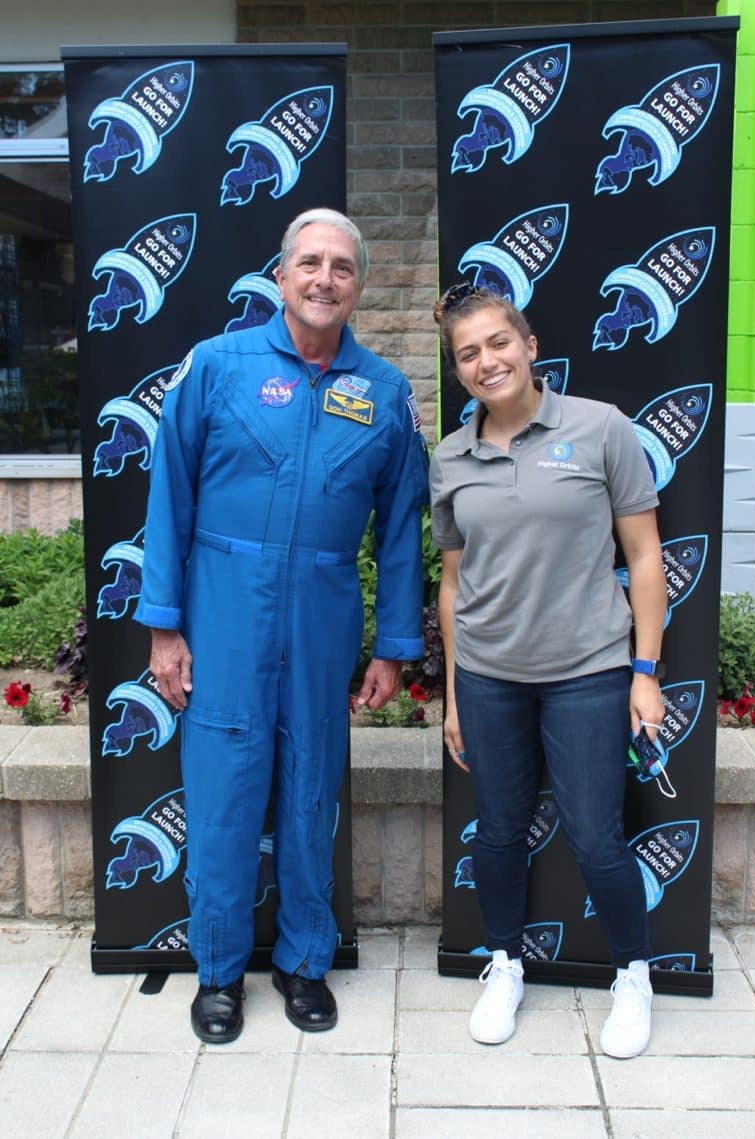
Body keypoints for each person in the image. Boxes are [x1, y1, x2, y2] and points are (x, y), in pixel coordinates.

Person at [135, 208, 429, 1043]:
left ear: (359, 285)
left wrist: (393, 648)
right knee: (225, 793)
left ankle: (305, 962)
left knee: (309, 792)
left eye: (341, 265)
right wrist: (164, 626)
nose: (324, 277)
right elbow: (169, 499)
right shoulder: (216, 367)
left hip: (325, 613)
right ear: (281, 276)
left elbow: (402, 528)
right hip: (224, 607)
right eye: (309, 262)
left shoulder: (383, 391)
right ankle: (220, 973)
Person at [429, 283, 667, 1060]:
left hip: (590, 671)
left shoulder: (602, 429)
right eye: (468, 353)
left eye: (498, 342)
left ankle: (634, 974)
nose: (486, 361)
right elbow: (455, 585)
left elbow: (644, 557)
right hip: (492, 675)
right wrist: (457, 692)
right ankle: (505, 962)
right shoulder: (450, 457)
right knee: (498, 830)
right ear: (457, 370)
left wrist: (645, 671)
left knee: (597, 833)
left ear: (529, 346)